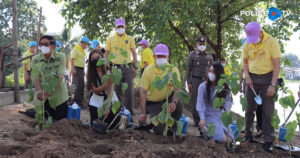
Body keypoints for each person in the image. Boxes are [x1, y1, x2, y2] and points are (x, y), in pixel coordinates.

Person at [243, 22, 281, 152]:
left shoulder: (272, 42)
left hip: (267, 78)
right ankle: (248, 135)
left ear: (260, 32)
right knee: (249, 108)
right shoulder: (247, 43)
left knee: (267, 111)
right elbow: (244, 61)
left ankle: (269, 140)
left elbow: (277, 65)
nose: (252, 42)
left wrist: (272, 85)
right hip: (252, 78)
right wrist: (247, 76)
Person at [138, 44, 183, 135]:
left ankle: (172, 128)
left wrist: (174, 102)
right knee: (160, 131)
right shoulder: (148, 71)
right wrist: (143, 113)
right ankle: (156, 126)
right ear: (154, 56)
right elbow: (143, 92)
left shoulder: (173, 70)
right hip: (154, 103)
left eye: (163, 56)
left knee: (179, 105)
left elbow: (177, 89)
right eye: (159, 56)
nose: (161, 58)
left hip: (168, 100)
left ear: (168, 56)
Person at [31, 35, 69, 121]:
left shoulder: (61, 57)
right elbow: (35, 77)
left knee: (60, 123)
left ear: (54, 46)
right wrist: (39, 91)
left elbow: (60, 77)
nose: (43, 46)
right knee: (44, 122)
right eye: (41, 44)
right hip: (44, 97)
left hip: (59, 96)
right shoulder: (35, 59)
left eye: (46, 44)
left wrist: (51, 90)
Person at [105, 18, 138, 114]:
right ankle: (118, 113)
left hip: (127, 67)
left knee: (129, 90)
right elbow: (106, 54)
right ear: (115, 27)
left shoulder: (130, 38)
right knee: (117, 90)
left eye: (122, 26)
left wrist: (135, 67)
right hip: (115, 67)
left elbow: (134, 53)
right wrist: (107, 66)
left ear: (125, 27)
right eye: (118, 26)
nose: (120, 28)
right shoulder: (110, 39)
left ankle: (129, 113)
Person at [196, 62, 234, 143]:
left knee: (231, 139)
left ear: (219, 74)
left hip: (221, 117)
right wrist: (202, 118)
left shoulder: (224, 88)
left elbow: (228, 104)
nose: (210, 74)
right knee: (224, 140)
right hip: (209, 117)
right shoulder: (203, 87)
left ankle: (208, 134)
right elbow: (200, 104)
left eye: (213, 72)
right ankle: (205, 130)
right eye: (209, 71)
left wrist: (226, 117)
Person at [86, 49, 119, 128]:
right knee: (95, 124)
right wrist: (107, 84)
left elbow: (110, 90)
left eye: (98, 57)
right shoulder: (90, 74)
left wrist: (107, 107)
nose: (96, 60)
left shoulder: (109, 71)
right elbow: (95, 91)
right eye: (93, 58)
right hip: (97, 99)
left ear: (102, 57)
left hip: (110, 98)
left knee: (112, 126)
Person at [186, 35, 213, 127]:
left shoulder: (210, 55)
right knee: (195, 101)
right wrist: (188, 82)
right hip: (195, 80)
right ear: (196, 44)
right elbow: (188, 69)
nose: (202, 45)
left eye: (203, 43)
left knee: (206, 100)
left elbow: (212, 69)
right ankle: (197, 120)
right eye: (200, 43)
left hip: (206, 81)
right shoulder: (192, 55)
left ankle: (205, 119)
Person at [70, 36, 90, 108]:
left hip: (81, 69)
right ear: (82, 43)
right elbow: (72, 59)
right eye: (85, 44)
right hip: (77, 69)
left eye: (87, 44)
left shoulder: (82, 50)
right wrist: (73, 69)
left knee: (81, 86)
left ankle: (80, 103)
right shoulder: (76, 49)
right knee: (78, 86)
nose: (86, 46)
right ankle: (76, 103)